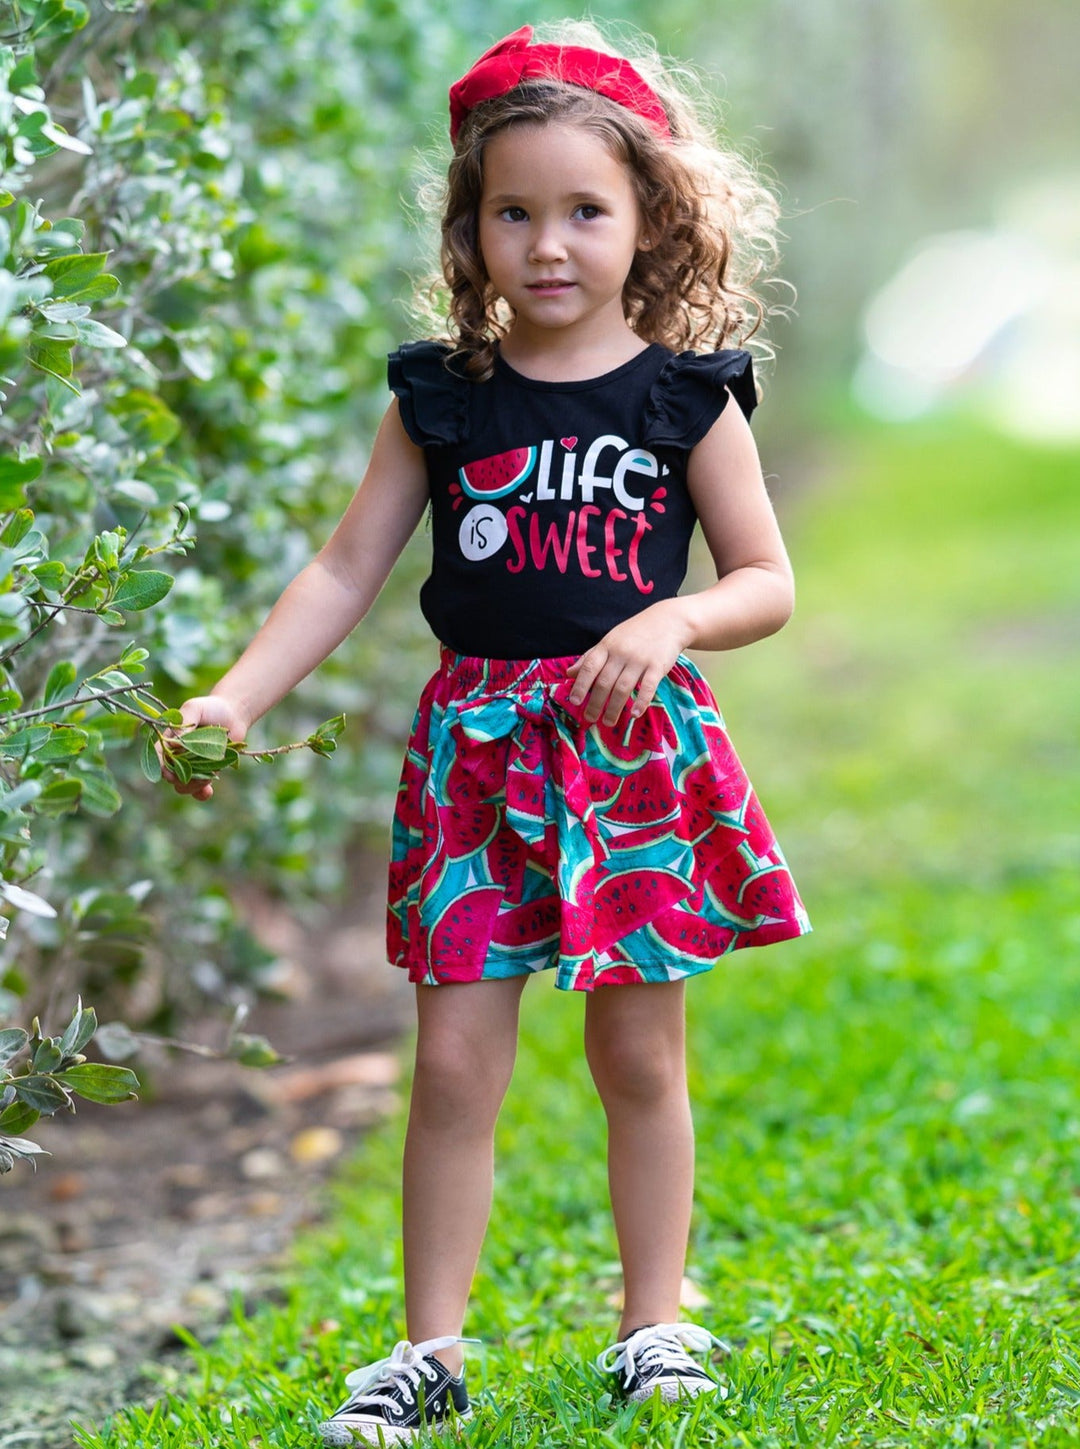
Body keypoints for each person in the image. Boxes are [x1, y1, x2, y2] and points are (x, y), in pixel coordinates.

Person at [167, 20, 811, 1443]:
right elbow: (345, 568)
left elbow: (764, 578)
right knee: (455, 1061)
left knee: (640, 1055)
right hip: (475, 754)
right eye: (513, 210)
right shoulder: (440, 399)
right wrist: (236, 692)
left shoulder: (685, 398)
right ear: (472, 227)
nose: (549, 242)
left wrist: (670, 623)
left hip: (631, 756)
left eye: (586, 209)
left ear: (650, 219)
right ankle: (428, 1351)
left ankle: (656, 1321)